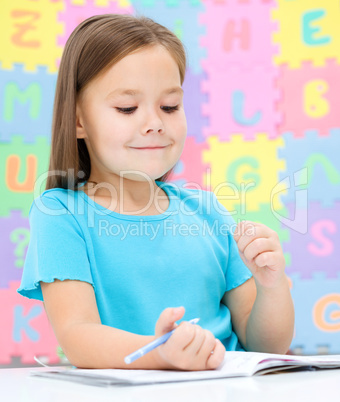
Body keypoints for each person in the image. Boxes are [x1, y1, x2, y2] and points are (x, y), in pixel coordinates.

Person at [17, 13, 294, 371]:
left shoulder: (207, 211)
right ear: (78, 121)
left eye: (169, 106)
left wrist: (271, 287)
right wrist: (159, 352)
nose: (154, 124)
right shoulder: (60, 214)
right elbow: (78, 334)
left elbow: (265, 345)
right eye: (127, 108)